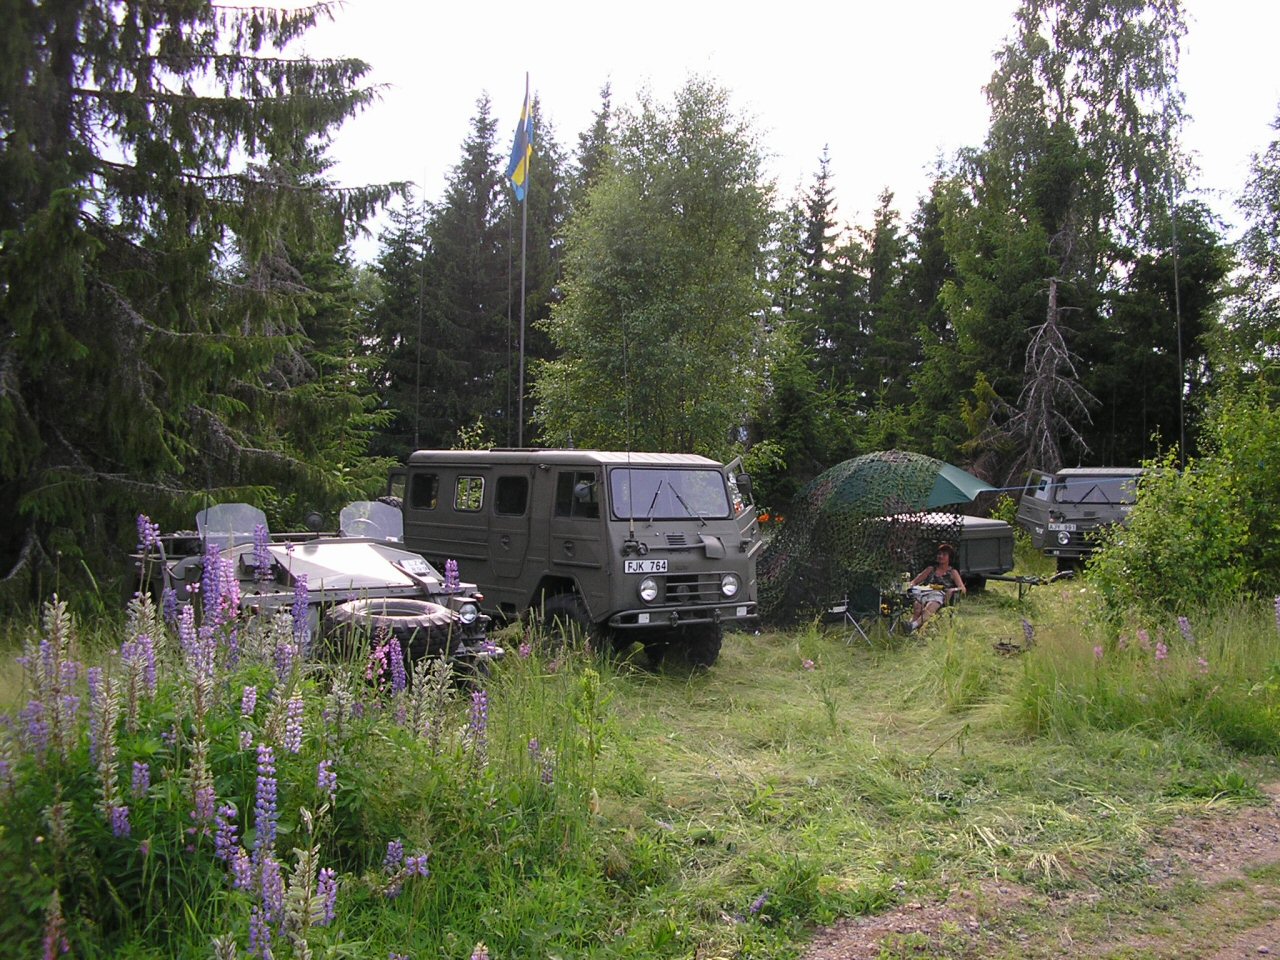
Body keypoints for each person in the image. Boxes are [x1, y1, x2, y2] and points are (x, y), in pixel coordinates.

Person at [906, 542, 965, 632]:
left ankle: (912, 626)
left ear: (949, 558)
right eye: (939, 554)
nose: (940, 556)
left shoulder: (952, 572)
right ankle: (911, 629)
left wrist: (953, 590)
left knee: (929, 606)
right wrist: (911, 586)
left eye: (944, 554)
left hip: (939, 595)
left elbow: (963, 589)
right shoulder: (931, 569)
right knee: (918, 607)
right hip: (925, 592)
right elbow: (914, 581)